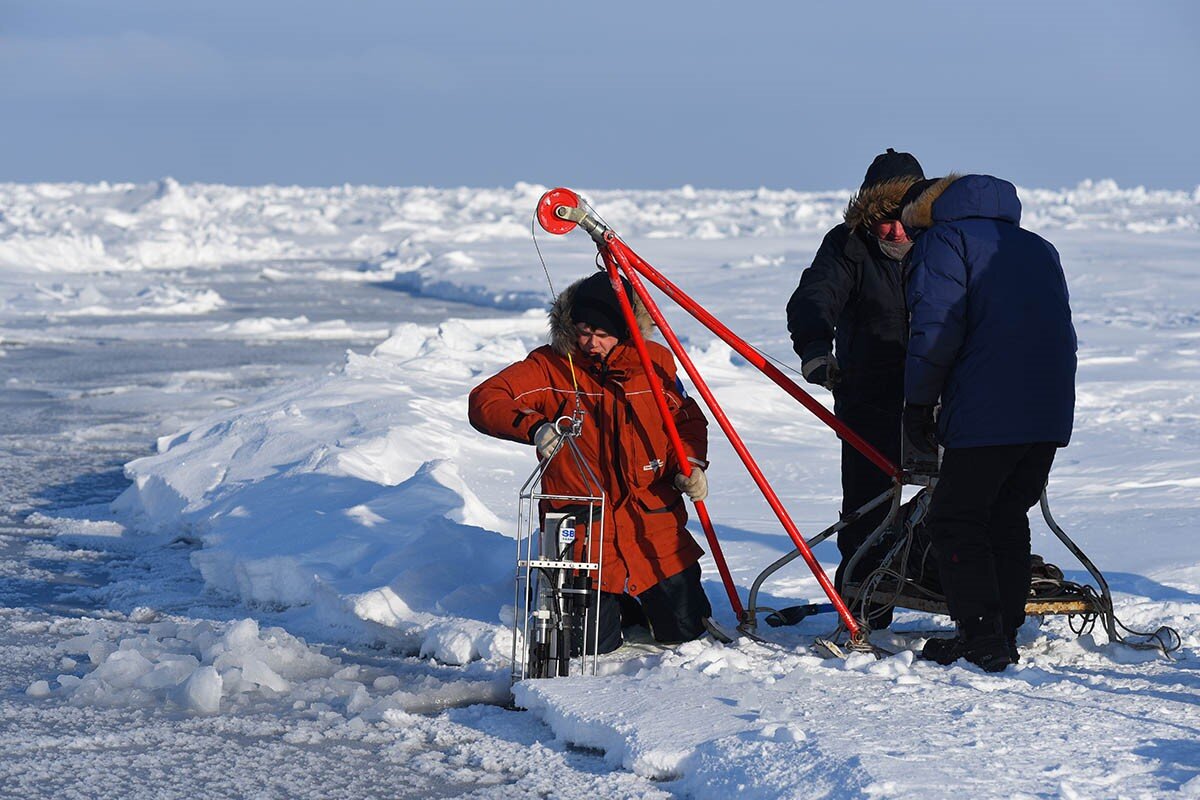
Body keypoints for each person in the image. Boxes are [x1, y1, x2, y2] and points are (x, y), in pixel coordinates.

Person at [468, 271, 713, 653]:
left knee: (687, 633)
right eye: (583, 330)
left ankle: (638, 602)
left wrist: (692, 463)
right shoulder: (551, 366)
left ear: (624, 331)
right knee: (589, 647)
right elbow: (485, 399)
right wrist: (534, 427)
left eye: (603, 334)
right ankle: (599, 602)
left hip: (652, 528)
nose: (592, 343)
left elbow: (687, 418)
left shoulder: (655, 364)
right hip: (584, 533)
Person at [900, 174, 1077, 672]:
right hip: (1046, 408)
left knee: (956, 519)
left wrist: (919, 403)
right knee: (1004, 514)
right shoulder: (1039, 247)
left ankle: (981, 638)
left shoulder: (944, 241)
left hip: (985, 407)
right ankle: (1003, 631)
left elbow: (935, 329)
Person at [785, 148, 926, 628]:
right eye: (884, 222)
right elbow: (814, 296)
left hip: (940, 399)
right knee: (868, 504)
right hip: (870, 398)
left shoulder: (945, 243)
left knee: (956, 496)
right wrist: (815, 350)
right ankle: (864, 604)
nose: (895, 233)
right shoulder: (847, 245)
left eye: (904, 221)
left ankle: (951, 589)